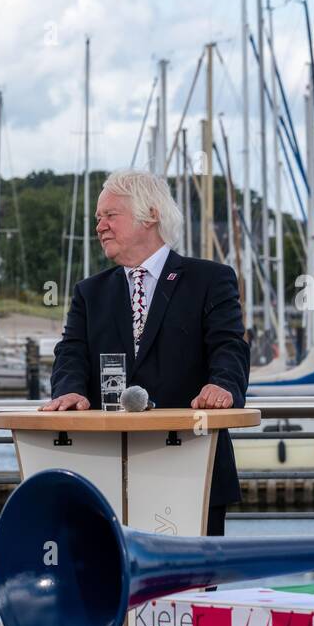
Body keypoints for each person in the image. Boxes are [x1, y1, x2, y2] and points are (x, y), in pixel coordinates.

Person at [43, 168, 250, 536]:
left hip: (192, 466)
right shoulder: (89, 293)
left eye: (110, 215)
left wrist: (223, 386)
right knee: (111, 590)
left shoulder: (210, 280)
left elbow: (229, 346)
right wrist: (68, 391)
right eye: (97, 218)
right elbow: (70, 353)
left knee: (192, 590)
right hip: (107, 476)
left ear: (150, 215)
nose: (100, 226)